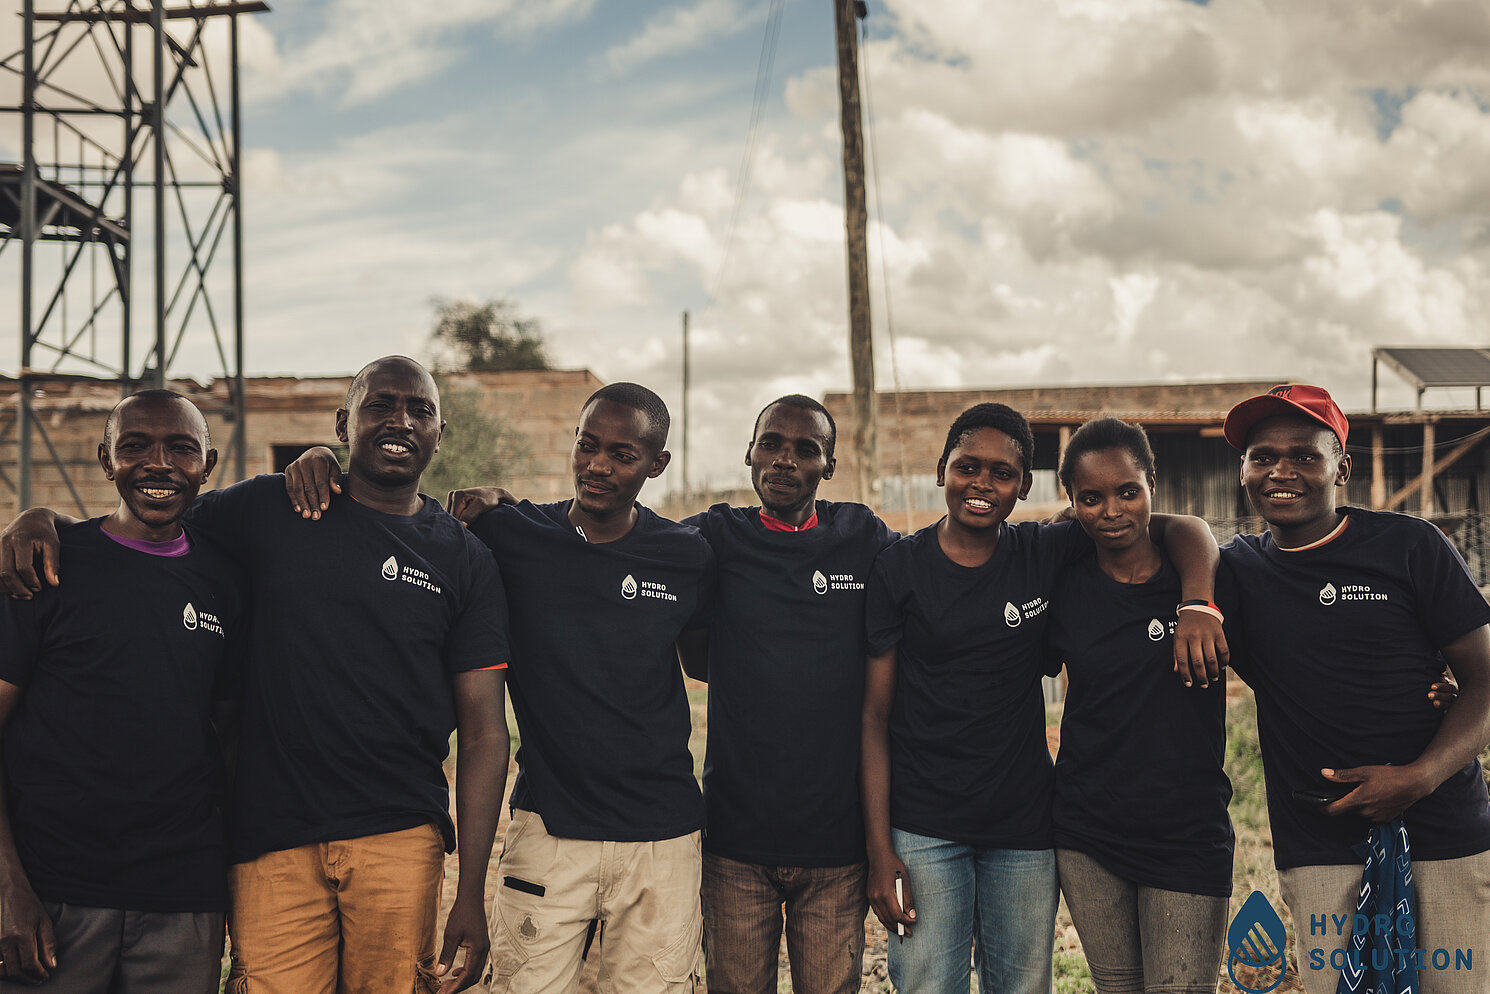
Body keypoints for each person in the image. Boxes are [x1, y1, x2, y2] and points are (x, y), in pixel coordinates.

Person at [0, 357, 512, 994]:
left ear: (441, 432)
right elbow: (143, 520)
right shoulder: (271, 505)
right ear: (343, 424)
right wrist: (40, 520)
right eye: (379, 404)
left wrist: (471, 891)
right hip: (270, 836)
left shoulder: (465, 557)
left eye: (420, 410)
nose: (400, 421)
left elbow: (485, 730)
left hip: (397, 832)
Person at [286, 381, 714, 994]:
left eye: (622, 455)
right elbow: (402, 515)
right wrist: (322, 460)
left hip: (663, 839)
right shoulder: (512, 536)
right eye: (587, 445)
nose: (598, 465)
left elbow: (702, 658)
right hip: (549, 830)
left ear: (657, 464)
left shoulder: (686, 554)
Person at [860, 402, 1226, 994]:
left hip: (1024, 826)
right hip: (925, 824)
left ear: (1024, 485)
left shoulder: (1044, 550)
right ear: (941, 469)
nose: (982, 484)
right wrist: (880, 849)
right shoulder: (899, 568)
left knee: (1024, 984)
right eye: (967, 466)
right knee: (928, 982)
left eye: (1002, 473)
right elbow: (874, 715)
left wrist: (1198, 602)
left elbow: (1176, 526)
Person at [1209, 384, 1490, 994]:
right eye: (1262, 457)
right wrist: (1192, 605)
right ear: (1243, 470)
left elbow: (1484, 680)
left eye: (1304, 455)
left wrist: (1419, 777)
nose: (1280, 471)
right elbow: (1156, 537)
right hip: (1319, 841)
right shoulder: (1235, 571)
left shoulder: (1411, 546)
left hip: (1444, 832)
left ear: (1342, 468)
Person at [0, 390, 243, 993]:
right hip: (53, 893)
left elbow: (229, 741)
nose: (158, 463)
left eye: (181, 448)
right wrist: (8, 886)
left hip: (183, 899)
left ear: (208, 465)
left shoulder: (227, 579)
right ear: (106, 460)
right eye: (135, 446)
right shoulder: (46, 568)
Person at [676, 395, 896, 994]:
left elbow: (944, 557)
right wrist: (517, 512)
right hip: (735, 843)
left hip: (837, 846)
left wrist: (1054, 534)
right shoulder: (714, 536)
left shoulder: (862, 537)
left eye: (805, 449)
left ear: (829, 465)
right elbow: (622, 533)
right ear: (749, 452)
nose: (784, 459)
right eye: (770, 444)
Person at [1044, 417, 1233, 994]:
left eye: (1128, 491)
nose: (1112, 510)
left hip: (1187, 833)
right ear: (1072, 500)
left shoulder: (1204, 583)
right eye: (1091, 498)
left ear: (1153, 483)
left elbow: (1295, 663)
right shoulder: (1062, 585)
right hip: (1087, 831)